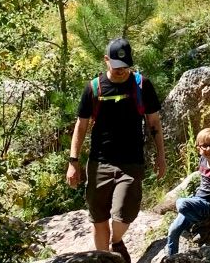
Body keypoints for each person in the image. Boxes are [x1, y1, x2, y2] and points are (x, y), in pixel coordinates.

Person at [66, 37, 167, 262]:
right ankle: (105, 258)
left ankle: (116, 241)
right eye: (117, 66)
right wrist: (74, 162)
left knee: (124, 213)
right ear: (106, 61)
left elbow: (154, 124)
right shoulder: (94, 88)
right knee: (98, 218)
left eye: (126, 66)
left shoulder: (142, 85)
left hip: (131, 162)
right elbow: (81, 126)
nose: (122, 71)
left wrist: (161, 156)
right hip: (99, 162)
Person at [165, 127, 210, 257]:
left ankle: (205, 222)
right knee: (173, 230)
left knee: (181, 203)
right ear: (198, 148)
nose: (208, 149)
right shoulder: (202, 160)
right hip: (197, 202)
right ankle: (171, 257)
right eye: (204, 146)